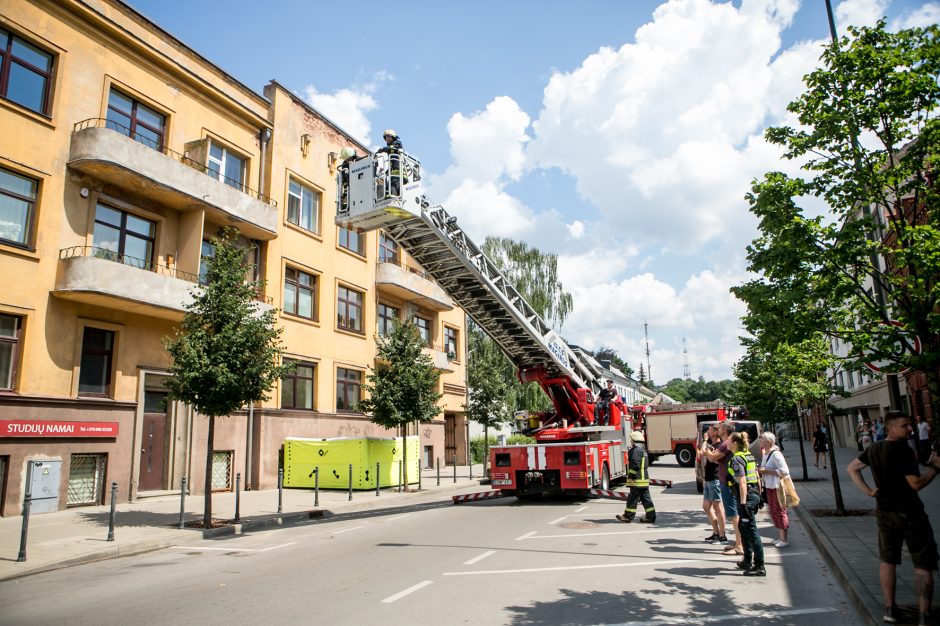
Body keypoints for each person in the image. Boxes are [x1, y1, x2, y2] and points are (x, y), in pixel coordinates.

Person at [847, 411, 940, 625]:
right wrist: (935, 469)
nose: (910, 429)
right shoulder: (904, 451)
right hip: (910, 513)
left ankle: (889, 609)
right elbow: (915, 484)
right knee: (923, 563)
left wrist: (869, 492)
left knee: (888, 560)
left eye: (910, 425)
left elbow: (852, 468)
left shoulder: (874, 449)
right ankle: (924, 615)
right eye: (904, 426)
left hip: (885, 512)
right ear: (890, 428)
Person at [702, 421, 743, 556]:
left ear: (725, 430)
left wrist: (707, 448)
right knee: (732, 514)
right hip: (726, 482)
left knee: (733, 515)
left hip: (729, 483)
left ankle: (739, 545)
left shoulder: (726, 444)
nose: (717, 429)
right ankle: (738, 543)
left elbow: (713, 457)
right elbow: (718, 460)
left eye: (720, 428)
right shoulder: (726, 444)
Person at [728, 431, 765, 576]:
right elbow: (756, 476)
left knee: (751, 530)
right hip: (753, 493)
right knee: (742, 528)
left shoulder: (737, 459)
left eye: (729, 441)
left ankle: (759, 566)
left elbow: (743, 481)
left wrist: (743, 505)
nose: (727, 443)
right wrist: (760, 495)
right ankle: (747, 561)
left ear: (735, 443)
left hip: (746, 497)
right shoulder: (748, 455)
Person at [758, 432, 790, 548]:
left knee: (780, 510)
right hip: (770, 486)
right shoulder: (766, 453)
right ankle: (780, 537)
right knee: (773, 510)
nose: (760, 441)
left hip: (777, 486)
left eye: (762, 439)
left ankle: (784, 539)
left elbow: (785, 471)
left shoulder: (776, 454)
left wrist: (766, 471)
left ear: (769, 442)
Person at [616, 430, 655, 523]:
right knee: (646, 499)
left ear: (634, 441)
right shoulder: (643, 451)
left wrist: (630, 477)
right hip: (644, 480)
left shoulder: (636, 451)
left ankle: (628, 516)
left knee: (632, 499)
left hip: (637, 481)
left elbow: (634, 465)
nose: (631, 441)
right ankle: (651, 516)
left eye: (631, 440)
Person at [700, 424, 727, 544]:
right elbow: (702, 452)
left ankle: (723, 535)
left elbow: (702, 452)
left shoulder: (719, 445)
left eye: (710, 430)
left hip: (715, 479)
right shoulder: (712, 446)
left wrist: (705, 440)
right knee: (706, 507)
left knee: (718, 508)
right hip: (708, 479)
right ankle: (716, 533)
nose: (708, 432)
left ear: (715, 432)